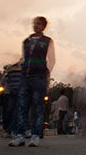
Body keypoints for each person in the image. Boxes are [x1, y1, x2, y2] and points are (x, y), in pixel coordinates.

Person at [9, 16, 55, 147]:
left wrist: (46, 74)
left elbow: (51, 59)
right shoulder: (26, 41)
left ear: (44, 26)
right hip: (25, 76)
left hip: (39, 77)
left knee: (37, 107)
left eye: (39, 24)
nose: (36, 26)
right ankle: (20, 135)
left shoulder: (47, 41)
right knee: (22, 106)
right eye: (34, 23)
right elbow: (23, 58)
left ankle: (35, 135)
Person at [1, 61, 22, 136]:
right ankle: (10, 129)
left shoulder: (10, 71)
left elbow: (2, 82)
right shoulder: (10, 73)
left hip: (11, 93)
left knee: (10, 111)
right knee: (12, 111)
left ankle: (9, 129)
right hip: (11, 94)